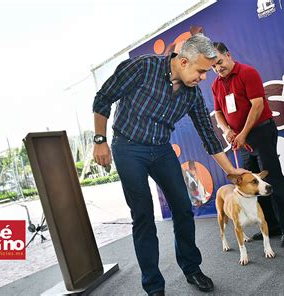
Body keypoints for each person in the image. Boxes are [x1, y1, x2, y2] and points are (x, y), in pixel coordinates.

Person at [92, 34, 247, 296]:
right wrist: (99, 140)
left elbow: (208, 136)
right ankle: (154, 287)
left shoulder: (193, 94)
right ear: (183, 61)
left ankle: (191, 268)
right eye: (200, 71)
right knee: (143, 216)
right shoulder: (143, 67)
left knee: (183, 209)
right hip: (128, 147)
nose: (203, 77)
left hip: (161, 149)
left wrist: (231, 172)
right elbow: (104, 97)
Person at [211, 42, 284, 248]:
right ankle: (273, 225)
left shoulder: (248, 73)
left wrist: (243, 133)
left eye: (220, 62)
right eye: (213, 66)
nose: (217, 68)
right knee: (251, 184)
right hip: (239, 140)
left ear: (228, 54)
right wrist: (227, 131)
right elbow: (218, 113)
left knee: (272, 180)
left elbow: (258, 105)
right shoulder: (216, 85)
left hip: (260, 132)